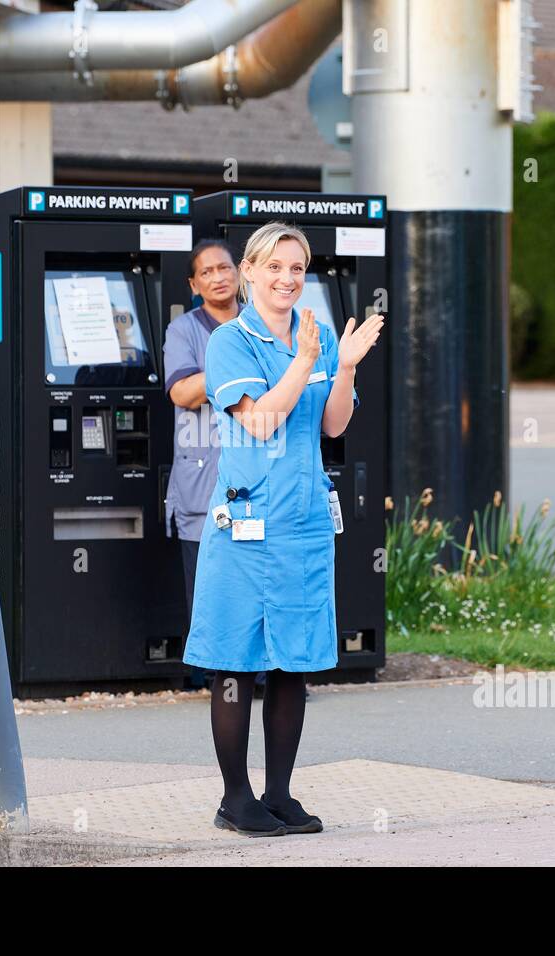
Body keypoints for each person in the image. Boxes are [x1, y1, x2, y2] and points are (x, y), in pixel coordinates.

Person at [183, 222, 383, 837]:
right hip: (247, 520)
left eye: (297, 269)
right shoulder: (229, 343)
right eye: (274, 267)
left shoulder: (314, 335)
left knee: (293, 662)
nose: (287, 279)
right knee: (235, 661)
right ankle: (235, 799)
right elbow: (263, 422)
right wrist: (302, 363)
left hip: (301, 521)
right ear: (248, 272)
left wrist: (343, 368)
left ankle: (279, 794)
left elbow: (331, 426)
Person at [164, 239, 241, 692]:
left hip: (256, 476)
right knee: (207, 582)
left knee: (253, 575)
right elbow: (182, 393)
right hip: (201, 480)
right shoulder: (184, 331)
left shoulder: (261, 321)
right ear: (194, 285)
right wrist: (237, 368)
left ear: (240, 272)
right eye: (207, 272)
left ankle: (262, 670)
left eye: (224, 268)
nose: (217, 277)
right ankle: (213, 673)